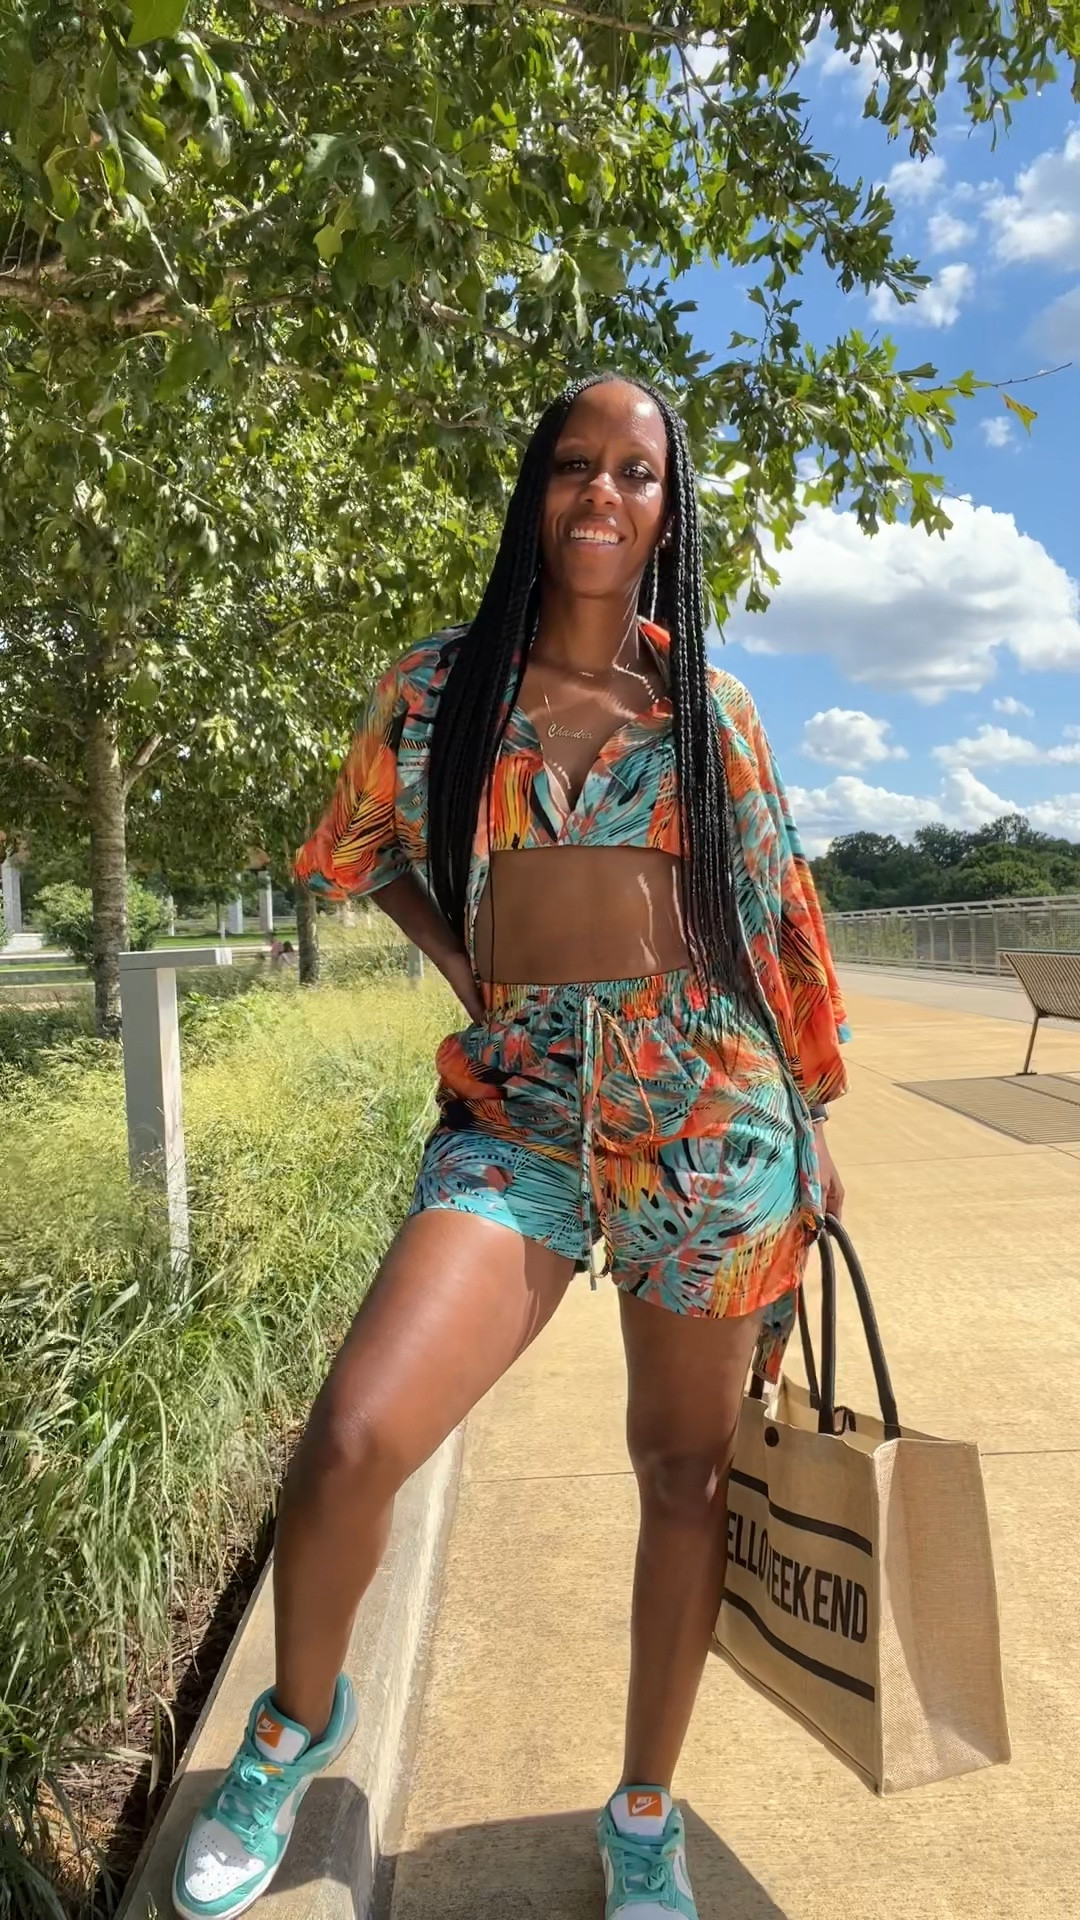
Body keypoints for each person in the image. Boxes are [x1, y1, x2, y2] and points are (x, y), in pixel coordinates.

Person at [172, 373, 847, 1920]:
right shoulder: (437, 688)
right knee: (352, 1441)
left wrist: (811, 1129)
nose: (603, 496)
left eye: (637, 473)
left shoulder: (707, 713)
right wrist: (459, 951)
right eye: (574, 467)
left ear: (670, 511)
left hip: (708, 1122)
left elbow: (776, 924)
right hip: (519, 1115)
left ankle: (642, 1813)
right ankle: (292, 1727)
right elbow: (351, 850)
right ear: (536, 490)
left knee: (685, 1479)